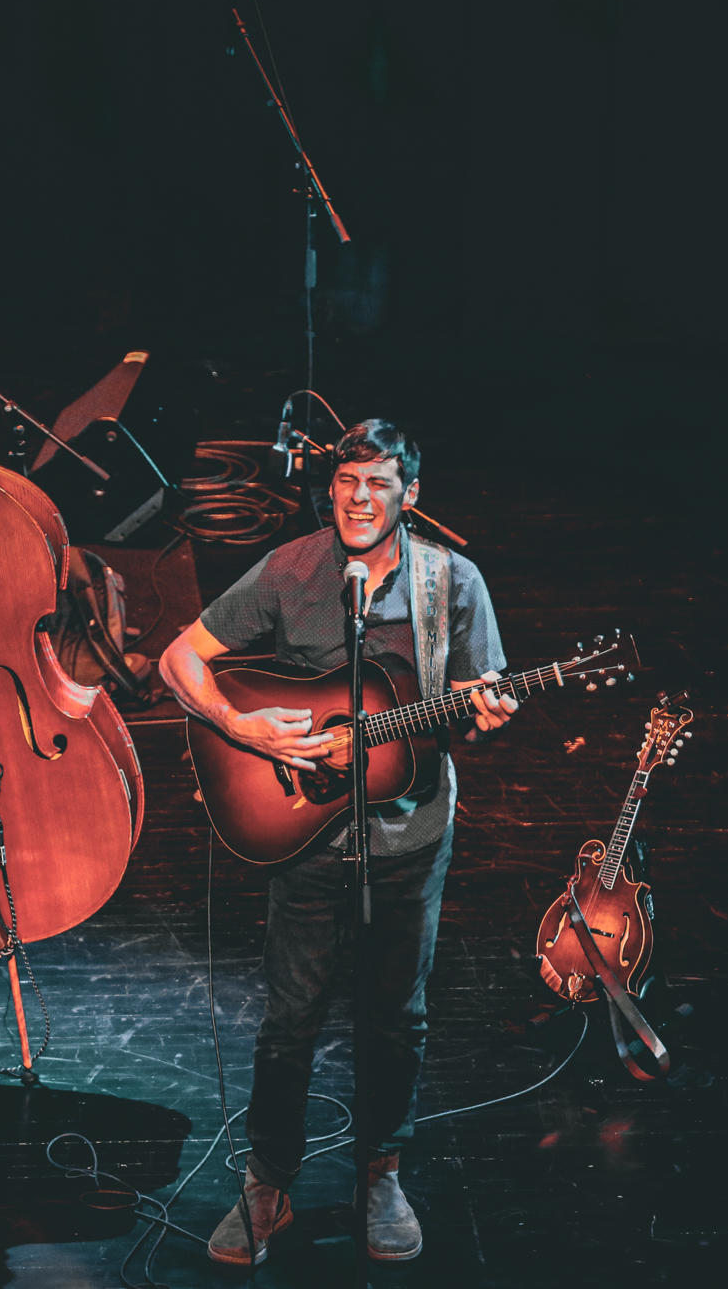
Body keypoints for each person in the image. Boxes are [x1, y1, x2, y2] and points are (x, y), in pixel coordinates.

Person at [160, 421, 519, 1267]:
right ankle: (267, 1181)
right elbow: (183, 656)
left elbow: (479, 695)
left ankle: (381, 1173)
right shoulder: (292, 566)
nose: (359, 497)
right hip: (308, 832)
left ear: (410, 495)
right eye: (347, 480)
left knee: (397, 1018)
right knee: (290, 1020)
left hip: (411, 834)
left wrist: (491, 710)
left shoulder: (452, 583)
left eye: (379, 483)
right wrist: (239, 724)